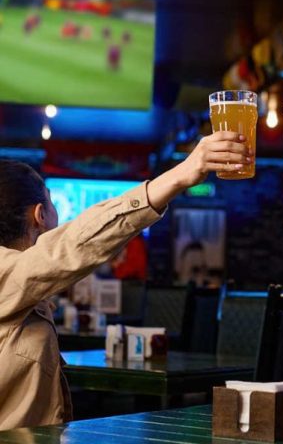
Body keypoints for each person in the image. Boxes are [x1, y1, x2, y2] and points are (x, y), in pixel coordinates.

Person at [0, 130, 252, 430]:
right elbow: (69, 248)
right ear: (40, 214)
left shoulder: (20, 285)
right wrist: (180, 175)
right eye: (54, 203)